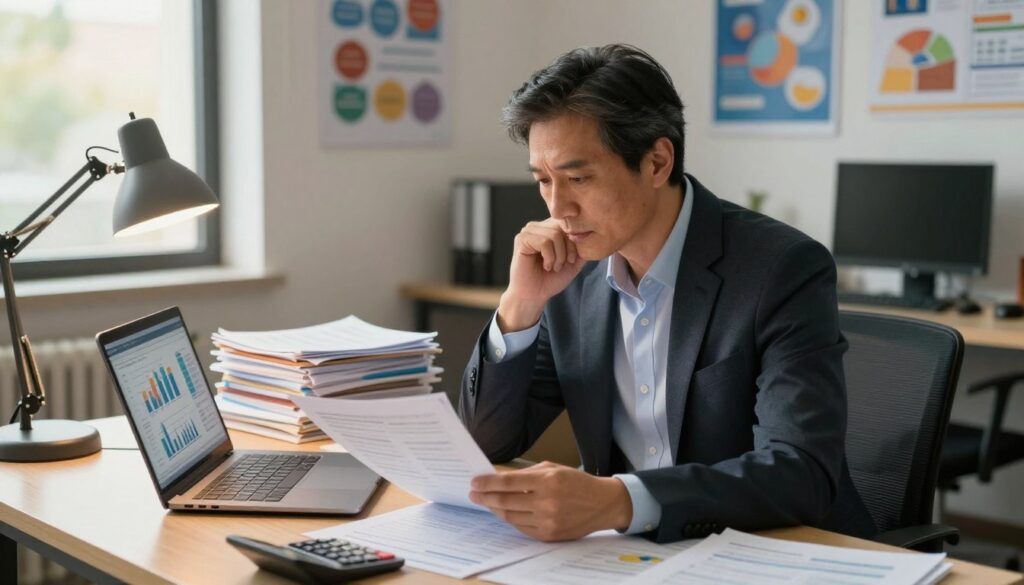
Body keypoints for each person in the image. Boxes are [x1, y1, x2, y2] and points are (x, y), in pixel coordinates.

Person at [459, 44, 874, 543]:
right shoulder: (573, 274)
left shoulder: (781, 268)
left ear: (657, 162)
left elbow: (800, 472)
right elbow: (487, 442)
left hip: (770, 549)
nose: (558, 206)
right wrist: (519, 305)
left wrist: (619, 500)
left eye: (577, 178)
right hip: (630, 557)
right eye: (543, 180)